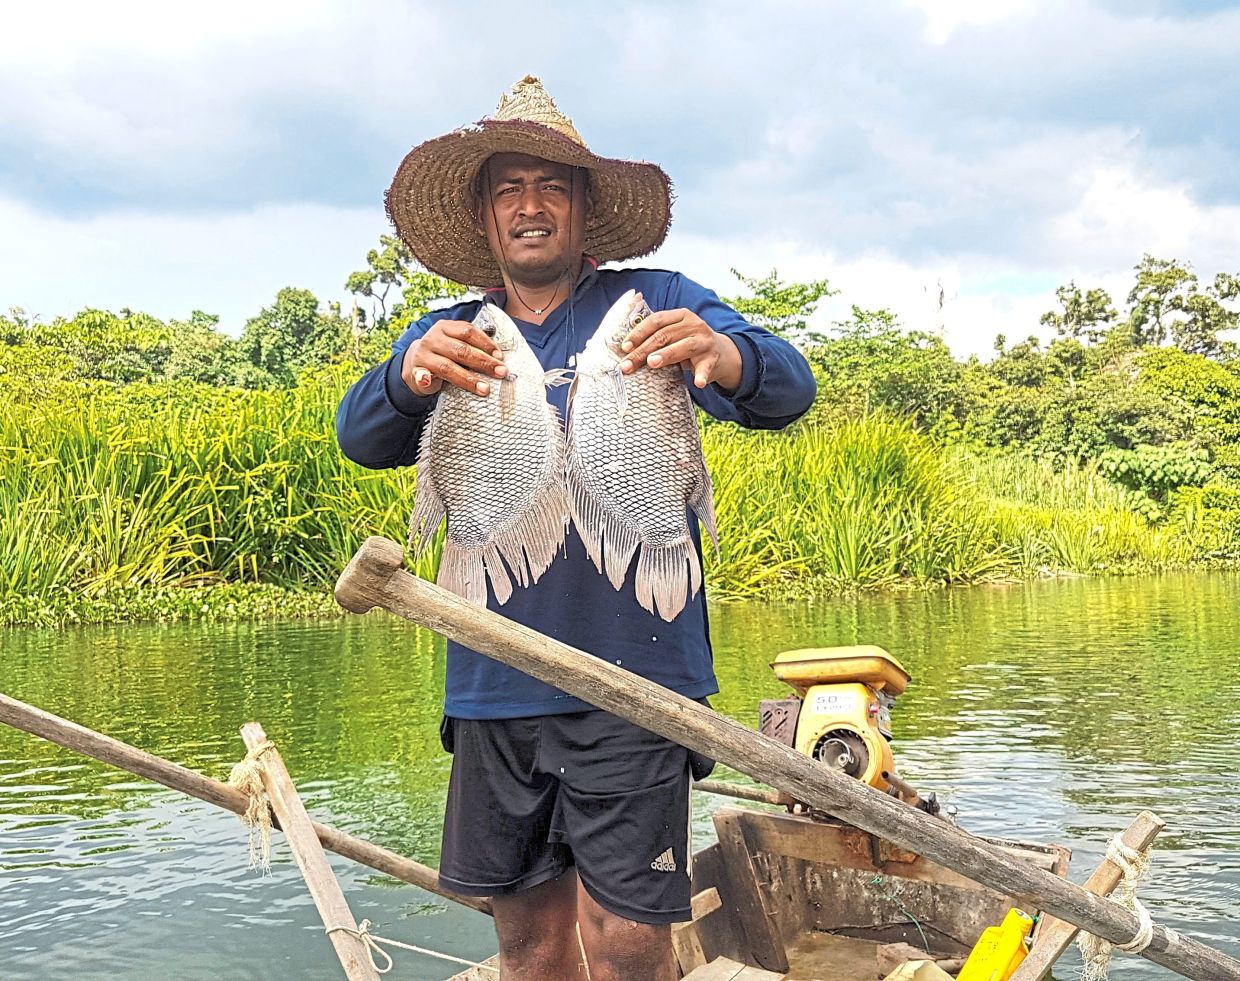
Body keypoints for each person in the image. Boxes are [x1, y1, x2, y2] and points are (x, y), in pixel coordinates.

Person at [336, 76, 816, 980]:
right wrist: (408, 372)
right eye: (509, 188)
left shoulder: (655, 299)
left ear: (584, 209)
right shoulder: (452, 330)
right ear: (484, 218)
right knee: (528, 939)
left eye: (552, 185)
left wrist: (725, 354)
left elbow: (789, 388)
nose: (530, 205)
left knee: (631, 939)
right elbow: (361, 436)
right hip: (492, 683)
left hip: (637, 682)